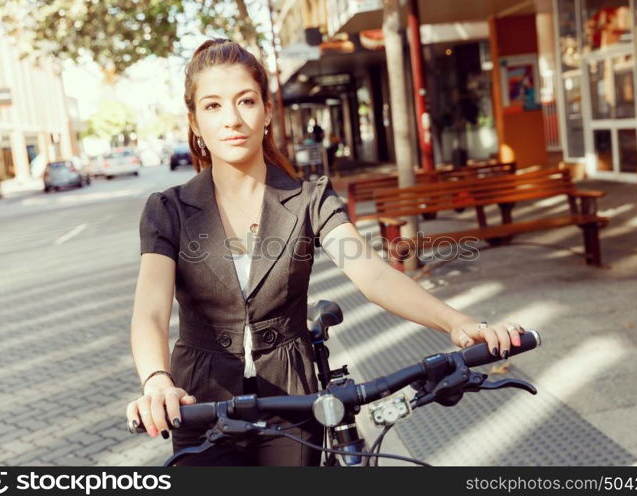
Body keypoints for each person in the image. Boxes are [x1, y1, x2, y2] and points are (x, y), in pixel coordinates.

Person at [126, 39, 525, 466]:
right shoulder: (168, 209)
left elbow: (373, 275)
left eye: (246, 101)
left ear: (267, 112)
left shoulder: (309, 198)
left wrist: (457, 322)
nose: (232, 119)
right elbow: (150, 309)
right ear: (195, 121)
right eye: (213, 106)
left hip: (295, 403)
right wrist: (156, 380)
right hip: (199, 401)